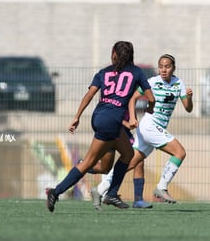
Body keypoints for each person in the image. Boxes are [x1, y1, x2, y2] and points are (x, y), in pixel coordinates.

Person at [45, 41, 155, 212]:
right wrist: (150, 109)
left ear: (114, 54)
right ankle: (55, 191)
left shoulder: (104, 72)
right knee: (89, 162)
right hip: (112, 121)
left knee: (128, 153)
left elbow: (89, 95)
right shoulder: (137, 72)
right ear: (131, 55)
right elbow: (151, 98)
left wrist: (77, 117)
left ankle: (111, 193)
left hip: (100, 117)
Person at [92, 54, 193, 207]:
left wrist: (190, 98)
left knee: (131, 162)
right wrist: (132, 118)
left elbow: (188, 108)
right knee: (180, 152)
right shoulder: (152, 82)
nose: (163, 70)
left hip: (157, 127)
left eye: (167, 66)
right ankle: (161, 187)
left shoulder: (179, 83)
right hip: (149, 125)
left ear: (174, 68)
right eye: (161, 66)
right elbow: (133, 99)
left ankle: (100, 189)